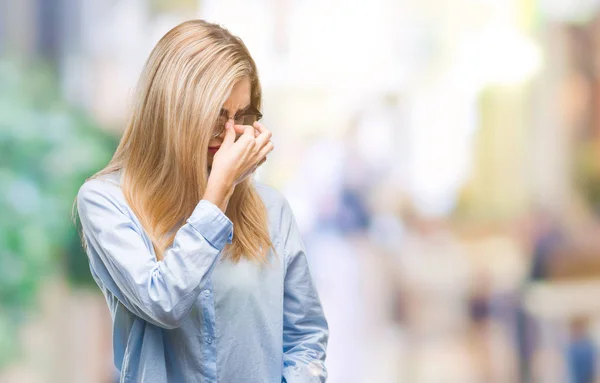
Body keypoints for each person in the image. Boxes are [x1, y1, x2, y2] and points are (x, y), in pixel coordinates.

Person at [75, 20, 328, 383]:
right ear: (171, 112)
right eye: (215, 115)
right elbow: (163, 302)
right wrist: (217, 196)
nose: (228, 133)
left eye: (241, 117)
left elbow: (306, 337)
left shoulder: (272, 210)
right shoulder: (106, 202)